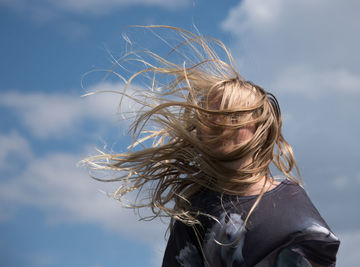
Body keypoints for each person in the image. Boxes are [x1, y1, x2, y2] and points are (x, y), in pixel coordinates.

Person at [81, 26, 340, 266]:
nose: (218, 125)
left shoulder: (290, 202)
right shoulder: (195, 210)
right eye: (209, 116)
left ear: (260, 129)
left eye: (233, 117)